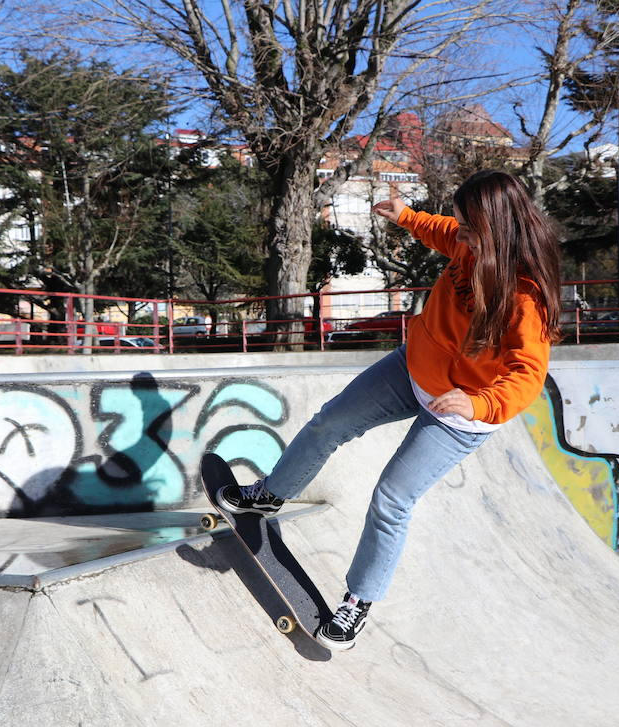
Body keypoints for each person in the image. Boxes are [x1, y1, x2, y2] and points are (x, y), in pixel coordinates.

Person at [218, 170, 562, 651]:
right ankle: (271, 495)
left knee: (391, 500)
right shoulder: (467, 242)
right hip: (412, 367)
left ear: (497, 230)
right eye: (460, 226)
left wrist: (479, 401)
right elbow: (442, 231)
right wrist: (407, 218)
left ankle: (358, 602)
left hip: (461, 412)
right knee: (328, 424)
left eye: (469, 228)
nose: (459, 235)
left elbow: (528, 372)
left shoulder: (526, 295)